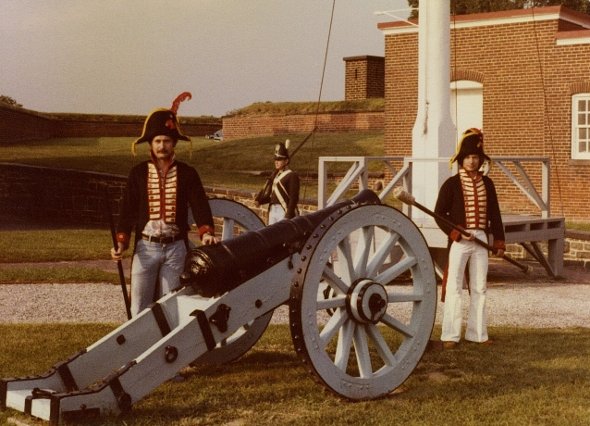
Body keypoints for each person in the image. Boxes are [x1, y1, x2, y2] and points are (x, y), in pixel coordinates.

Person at [111, 92, 218, 317]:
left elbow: (199, 204)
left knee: (171, 303)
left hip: (175, 248)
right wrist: (121, 241)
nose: (162, 146)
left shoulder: (187, 174)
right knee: (139, 305)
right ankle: (139, 349)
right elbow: (127, 210)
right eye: (158, 141)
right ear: (150, 143)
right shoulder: (138, 173)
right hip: (146, 248)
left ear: (174, 143)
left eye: (167, 141)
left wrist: (206, 231)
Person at [434, 128, 505, 348]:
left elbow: (495, 214)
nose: (472, 162)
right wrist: (455, 232)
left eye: (476, 157)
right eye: (468, 157)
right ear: (461, 159)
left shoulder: (488, 184)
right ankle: (450, 335)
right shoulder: (451, 184)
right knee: (454, 286)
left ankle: (478, 334)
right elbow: (439, 214)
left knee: (479, 286)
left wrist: (499, 241)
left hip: (481, 239)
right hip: (459, 241)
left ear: (480, 159)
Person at [254, 139, 300, 224]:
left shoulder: (292, 175)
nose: (276, 162)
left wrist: (288, 216)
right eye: (275, 159)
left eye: (279, 159)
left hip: (283, 210)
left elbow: (294, 199)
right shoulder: (275, 175)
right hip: (272, 210)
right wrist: (260, 201)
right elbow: (272, 197)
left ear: (286, 161)